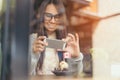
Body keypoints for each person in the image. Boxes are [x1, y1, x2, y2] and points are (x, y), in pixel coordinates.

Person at [29, 0, 83, 75]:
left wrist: (76, 57)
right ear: (41, 16)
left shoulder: (67, 41)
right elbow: (24, 74)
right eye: (48, 15)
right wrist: (33, 54)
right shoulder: (32, 40)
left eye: (57, 16)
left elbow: (75, 75)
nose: (52, 21)